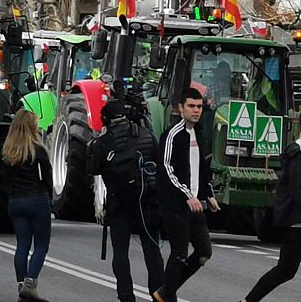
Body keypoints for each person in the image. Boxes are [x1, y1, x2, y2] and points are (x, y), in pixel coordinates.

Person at [90, 100, 164, 302]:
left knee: (120, 253)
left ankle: (126, 296)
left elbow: (93, 169)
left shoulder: (104, 142)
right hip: (146, 200)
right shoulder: (147, 135)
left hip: (118, 203)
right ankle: (159, 294)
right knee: (152, 249)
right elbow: (160, 163)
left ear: (106, 120)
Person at [152, 87, 220, 302]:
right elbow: (166, 169)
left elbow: (201, 169)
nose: (196, 111)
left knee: (203, 253)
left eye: (199, 107)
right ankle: (167, 295)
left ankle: (165, 292)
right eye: (191, 106)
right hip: (175, 205)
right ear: (181, 108)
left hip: (195, 204)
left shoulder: (198, 134)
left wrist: (207, 194)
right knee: (179, 254)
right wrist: (187, 195)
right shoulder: (172, 134)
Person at [240, 114, 301, 302]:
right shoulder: (297, 155)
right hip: (296, 223)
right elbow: (297, 189)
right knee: (285, 271)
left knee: (285, 271)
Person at [2, 109, 52, 302]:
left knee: (22, 245)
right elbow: (47, 177)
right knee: (41, 245)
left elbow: (5, 180)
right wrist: (49, 197)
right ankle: (30, 285)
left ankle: (21, 285)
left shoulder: (8, 151)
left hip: (16, 202)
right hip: (37, 200)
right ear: (32, 127)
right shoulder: (37, 150)